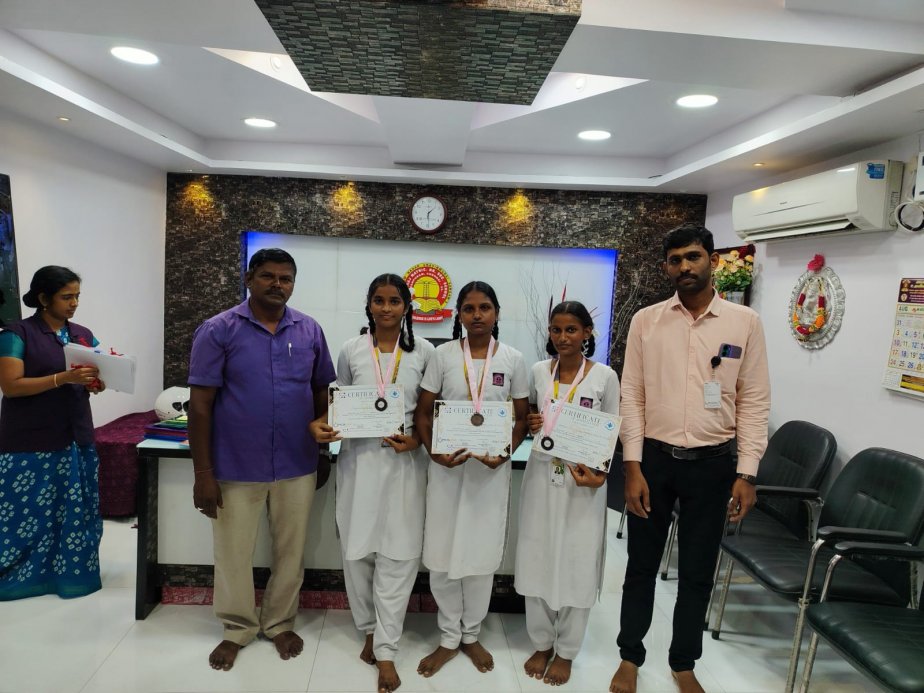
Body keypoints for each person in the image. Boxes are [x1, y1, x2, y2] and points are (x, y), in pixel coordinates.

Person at [610, 224, 770, 693]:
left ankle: (683, 663)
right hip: (654, 462)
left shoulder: (744, 322)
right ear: (666, 267)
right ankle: (629, 656)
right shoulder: (647, 321)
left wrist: (747, 472)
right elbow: (632, 395)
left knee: (698, 571)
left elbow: (754, 399)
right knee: (641, 566)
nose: (684, 266)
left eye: (693, 256)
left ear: (712, 261)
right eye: (675, 259)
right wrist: (632, 466)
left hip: (714, 465)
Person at [187, 248, 336, 672]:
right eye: (268, 276)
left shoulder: (309, 330)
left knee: (291, 551)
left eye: (286, 278)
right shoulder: (218, 330)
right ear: (249, 279)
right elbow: (200, 406)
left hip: (296, 462)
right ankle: (237, 628)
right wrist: (203, 473)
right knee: (233, 553)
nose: (277, 284)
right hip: (235, 464)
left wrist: (322, 450)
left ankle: (279, 622)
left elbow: (321, 391)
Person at [310, 273, 435, 693]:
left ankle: (386, 649)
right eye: (379, 300)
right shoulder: (351, 349)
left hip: (404, 464)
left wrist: (416, 440)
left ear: (406, 307)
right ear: (369, 305)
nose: (386, 308)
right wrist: (323, 425)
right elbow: (340, 402)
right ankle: (368, 628)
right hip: (359, 463)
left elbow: (428, 411)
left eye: (394, 301)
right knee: (357, 551)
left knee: (399, 555)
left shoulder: (424, 352)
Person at [414, 280, 530, 678]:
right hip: (446, 469)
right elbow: (423, 413)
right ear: (458, 315)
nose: (477, 315)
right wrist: (434, 452)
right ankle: (448, 637)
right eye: (469, 308)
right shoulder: (443, 355)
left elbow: (520, 418)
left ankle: (471, 634)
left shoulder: (513, 359)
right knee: (442, 553)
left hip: (488, 474)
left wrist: (504, 454)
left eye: (484, 307)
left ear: (496, 313)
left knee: (480, 555)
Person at [516, 300, 620, 686]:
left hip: (582, 480)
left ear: (587, 333)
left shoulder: (605, 377)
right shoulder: (539, 371)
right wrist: (532, 422)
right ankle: (542, 643)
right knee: (537, 555)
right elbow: (532, 419)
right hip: (542, 474)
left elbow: (612, 431)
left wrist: (600, 474)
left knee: (577, 559)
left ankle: (567, 651)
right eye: (556, 330)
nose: (563, 337)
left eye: (571, 330)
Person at [0, 266, 106, 601]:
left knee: (76, 510)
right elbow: (11, 386)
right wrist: (63, 378)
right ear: (44, 298)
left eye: (77, 296)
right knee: (29, 513)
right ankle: (23, 577)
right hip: (30, 440)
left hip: (76, 436)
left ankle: (73, 573)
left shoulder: (83, 335)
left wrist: (95, 383)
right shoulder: (16, 333)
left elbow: (96, 374)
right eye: (66, 297)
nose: (74, 303)